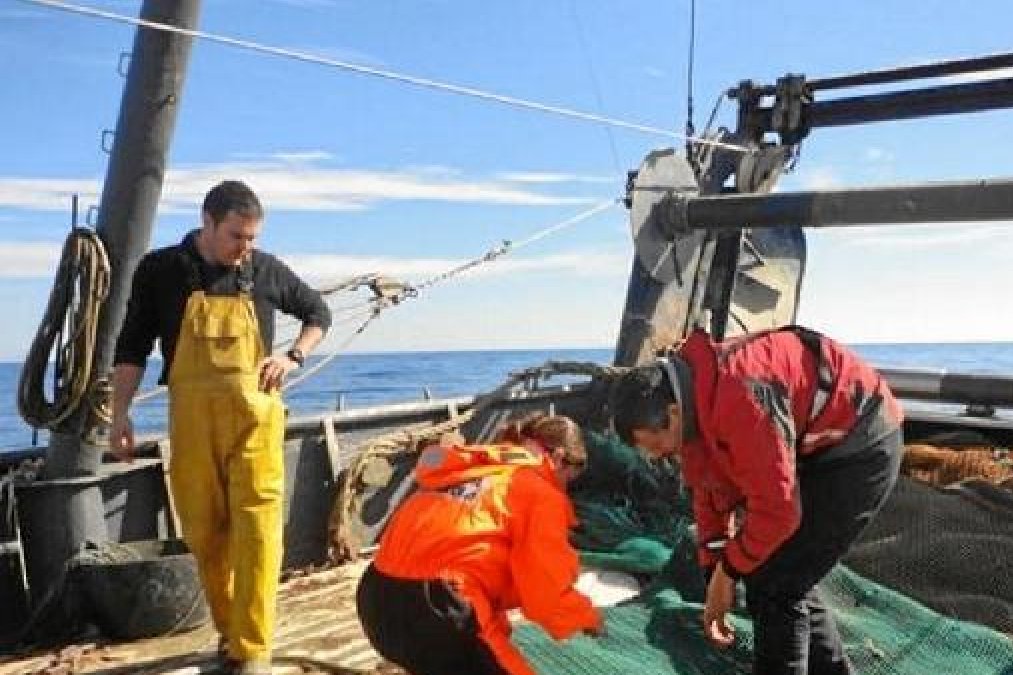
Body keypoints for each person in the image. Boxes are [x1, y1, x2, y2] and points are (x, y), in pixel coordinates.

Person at [109, 180, 331, 675]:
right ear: (207, 223)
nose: (245, 248)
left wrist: (293, 354)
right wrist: (120, 415)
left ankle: (254, 651)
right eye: (236, 236)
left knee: (258, 531)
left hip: (256, 421)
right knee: (204, 532)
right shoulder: (161, 270)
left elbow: (318, 312)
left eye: (251, 237)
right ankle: (231, 632)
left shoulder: (266, 270)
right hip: (192, 422)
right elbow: (132, 346)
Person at [609, 326, 904, 675]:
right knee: (783, 572)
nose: (657, 457)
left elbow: (778, 512)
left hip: (861, 444)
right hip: (812, 448)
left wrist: (729, 572)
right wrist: (713, 571)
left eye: (655, 446)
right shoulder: (694, 400)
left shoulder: (740, 396)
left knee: (778, 580)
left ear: (673, 414)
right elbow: (709, 490)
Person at [358, 412, 602, 675]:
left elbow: (471, 561)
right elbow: (545, 591)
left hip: (376, 599)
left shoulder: (468, 466)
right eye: (569, 478)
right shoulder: (539, 493)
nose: (565, 488)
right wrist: (587, 619)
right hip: (440, 613)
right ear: (558, 458)